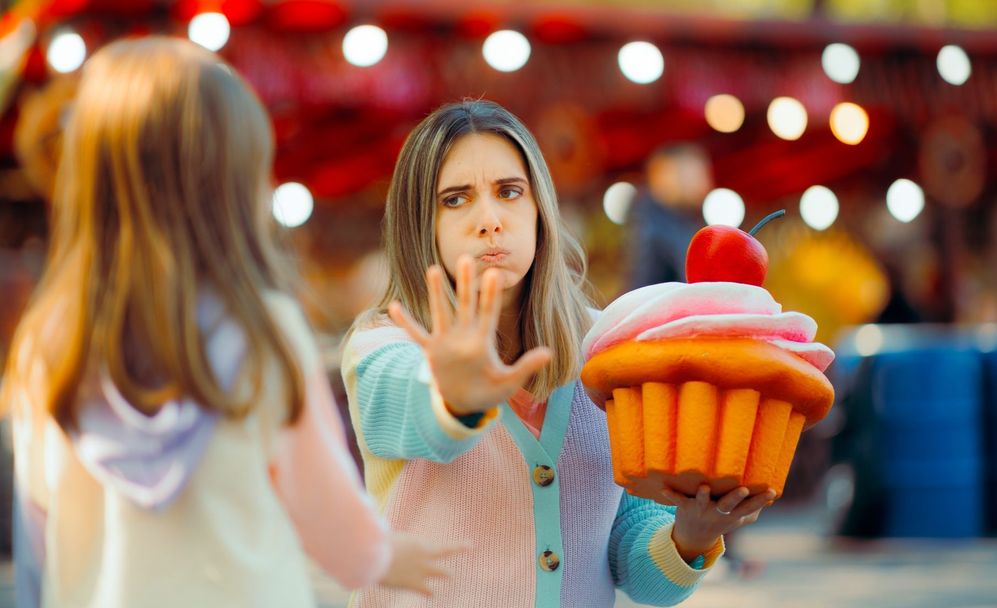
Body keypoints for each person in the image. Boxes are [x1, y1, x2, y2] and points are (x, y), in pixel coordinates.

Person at [0, 36, 455, 608]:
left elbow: (39, 528)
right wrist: (386, 556)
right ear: (230, 186)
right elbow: (325, 510)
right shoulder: (263, 330)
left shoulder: (50, 340)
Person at [341, 100, 774, 607]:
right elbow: (416, 416)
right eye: (455, 199)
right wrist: (453, 395)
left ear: (538, 208)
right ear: (421, 224)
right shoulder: (383, 343)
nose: (489, 220)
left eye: (508, 192)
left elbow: (635, 567)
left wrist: (691, 537)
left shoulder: (610, 350)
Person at [627, 143, 713, 288]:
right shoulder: (654, 225)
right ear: (667, 175)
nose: (705, 182)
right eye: (694, 175)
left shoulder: (678, 219)